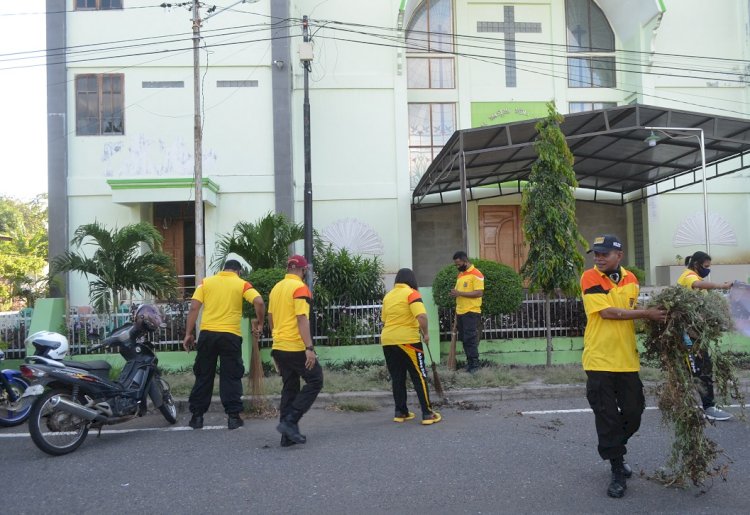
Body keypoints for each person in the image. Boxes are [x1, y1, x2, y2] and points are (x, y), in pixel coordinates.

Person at [580, 235, 667, 498]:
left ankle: (616, 446)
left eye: (605, 254)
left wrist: (660, 316)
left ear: (619, 255)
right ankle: (617, 470)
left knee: (635, 411)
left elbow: (630, 311)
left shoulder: (631, 279)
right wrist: (646, 314)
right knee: (607, 417)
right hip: (599, 360)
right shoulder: (590, 278)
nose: (599, 258)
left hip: (627, 360)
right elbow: (607, 312)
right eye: (596, 253)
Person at [182, 260, 265, 430]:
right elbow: (259, 302)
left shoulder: (205, 282)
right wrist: (261, 324)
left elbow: (194, 308)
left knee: (204, 375)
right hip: (230, 336)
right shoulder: (242, 284)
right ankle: (233, 417)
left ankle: (197, 417)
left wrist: (188, 334)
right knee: (231, 376)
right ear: (238, 272)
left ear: (223, 270)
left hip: (207, 335)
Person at [268, 254, 324, 447]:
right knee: (316, 380)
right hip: (295, 347)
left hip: (279, 346)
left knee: (290, 387)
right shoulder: (300, 288)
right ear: (303, 270)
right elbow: (302, 318)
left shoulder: (276, 289)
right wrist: (309, 348)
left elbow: (271, 318)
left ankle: (287, 436)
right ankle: (290, 421)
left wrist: (275, 345)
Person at [676, 251, 733, 421]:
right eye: (706, 267)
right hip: (689, 336)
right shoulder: (689, 276)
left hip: (697, 334)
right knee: (701, 369)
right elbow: (697, 285)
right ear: (696, 264)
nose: (708, 270)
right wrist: (722, 286)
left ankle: (680, 403)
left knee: (693, 369)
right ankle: (708, 407)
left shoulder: (693, 276)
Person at [380, 268, 441, 426]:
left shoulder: (388, 296)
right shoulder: (411, 293)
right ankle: (427, 413)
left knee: (397, 377)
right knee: (419, 375)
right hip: (408, 341)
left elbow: (385, 321)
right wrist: (426, 334)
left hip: (388, 340)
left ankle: (401, 412)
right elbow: (421, 316)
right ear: (411, 279)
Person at [450, 251, 484, 373]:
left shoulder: (476, 274)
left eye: (458, 264)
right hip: (461, 312)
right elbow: (460, 292)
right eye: (456, 264)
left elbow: (479, 293)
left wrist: (459, 293)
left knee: (470, 338)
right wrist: (455, 293)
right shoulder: (460, 275)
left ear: (465, 261)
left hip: (471, 311)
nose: (457, 266)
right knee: (464, 339)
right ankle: (470, 364)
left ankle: (475, 365)